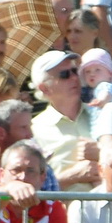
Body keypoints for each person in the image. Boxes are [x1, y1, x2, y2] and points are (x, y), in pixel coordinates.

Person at [30, 50, 100, 190]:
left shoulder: (102, 114)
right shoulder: (34, 130)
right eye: (64, 75)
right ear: (45, 88)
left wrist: (103, 153)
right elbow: (31, 187)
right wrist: (73, 175)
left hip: (109, 210)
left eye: (75, 71)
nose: (74, 78)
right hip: (63, 210)